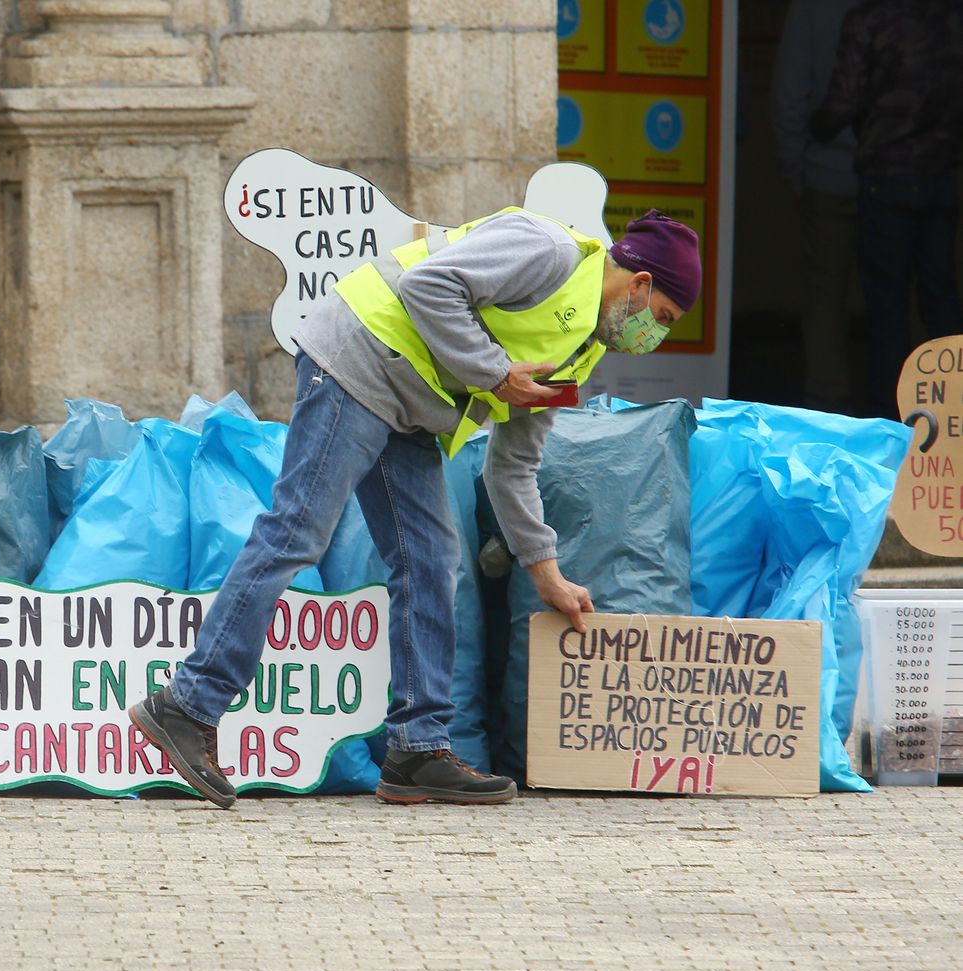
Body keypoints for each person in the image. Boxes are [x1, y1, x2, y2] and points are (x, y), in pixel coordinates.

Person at [129, 207, 702, 809]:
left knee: (432, 559)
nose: (652, 336)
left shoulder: (579, 354)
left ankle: (416, 750)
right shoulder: (548, 252)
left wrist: (547, 574)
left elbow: (512, 467)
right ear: (640, 284)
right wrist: (496, 372)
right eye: (661, 317)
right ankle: (188, 705)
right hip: (358, 355)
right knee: (296, 532)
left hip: (408, 404)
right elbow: (429, 284)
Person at [811, 0, 963, 418]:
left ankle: (894, 419)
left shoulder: (870, 19)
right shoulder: (952, 17)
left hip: (887, 179)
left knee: (887, 308)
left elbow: (842, 103)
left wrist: (813, 129)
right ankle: (953, 418)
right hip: (942, 179)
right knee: (942, 303)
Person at [770, 0, 862, 413]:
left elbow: (790, 97)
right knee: (906, 295)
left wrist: (797, 173)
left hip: (830, 176)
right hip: (906, 177)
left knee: (825, 298)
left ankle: (828, 408)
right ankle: (913, 404)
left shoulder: (811, 10)